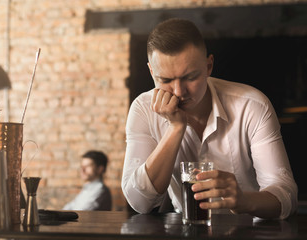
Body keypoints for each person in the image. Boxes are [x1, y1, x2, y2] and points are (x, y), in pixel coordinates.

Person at [121, 18, 298, 219]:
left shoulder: (252, 105)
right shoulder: (142, 109)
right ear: (152, 72)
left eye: (190, 77)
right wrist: (176, 128)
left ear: (208, 66)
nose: (179, 92)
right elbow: (140, 202)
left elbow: (286, 194)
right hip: (187, 231)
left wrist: (244, 201)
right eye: (166, 80)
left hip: (253, 230)